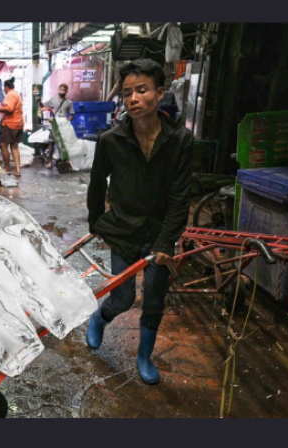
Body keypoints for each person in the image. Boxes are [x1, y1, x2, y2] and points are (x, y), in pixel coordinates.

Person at [85, 59, 193, 385]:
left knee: (155, 300)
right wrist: (96, 223)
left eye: (142, 91)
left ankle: (144, 356)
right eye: (128, 92)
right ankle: (99, 319)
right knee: (122, 297)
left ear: (159, 94)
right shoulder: (111, 140)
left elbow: (180, 198)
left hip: (160, 231)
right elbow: (96, 184)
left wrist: (165, 244)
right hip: (122, 228)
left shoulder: (180, 141)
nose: (133, 99)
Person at [0, 78, 25, 176]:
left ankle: (7, 169)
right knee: (14, 146)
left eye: (4, 88)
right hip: (18, 123)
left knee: (3, 145)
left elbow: (9, 109)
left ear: (6, 87)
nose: (4, 90)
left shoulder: (10, 94)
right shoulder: (16, 94)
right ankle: (18, 170)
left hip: (10, 124)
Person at [38, 83, 75, 169]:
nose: (62, 91)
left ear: (66, 92)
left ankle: (67, 161)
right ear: (58, 90)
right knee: (51, 144)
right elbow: (43, 106)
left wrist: (67, 121)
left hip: (64, 128)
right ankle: (50, 162)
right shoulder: (53, 100)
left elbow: (72, 115)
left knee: (65, 144)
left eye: (64, 90)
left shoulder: (69, 103)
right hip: (54, 125)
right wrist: (39, 101)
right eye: (61, 90)